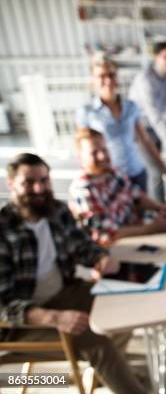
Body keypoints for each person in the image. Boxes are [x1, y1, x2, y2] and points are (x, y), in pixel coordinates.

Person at [0, 153, 147, 394]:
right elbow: (2, 303)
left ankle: (113, 373)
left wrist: (100, 258)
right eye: (28, 182)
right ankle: (122, 379)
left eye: (44, 180)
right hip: (21, 323)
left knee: (124, 305)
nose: (39, 189)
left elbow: (82, 245)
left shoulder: (56, 211)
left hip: (64, 292)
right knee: (99, 343)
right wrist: (54, 318)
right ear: (11, 184)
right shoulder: (3, 229)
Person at [78, 52, 166, 194]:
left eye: (111, 75)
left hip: (136, 172)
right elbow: (83, 150)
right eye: (101, 76)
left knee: (142, 213)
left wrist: (164, 168)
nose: (108, 80)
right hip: (109, 177)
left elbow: (146, 140)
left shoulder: (131, 106)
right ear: (93, 80)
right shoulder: (87, 112)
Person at [69, 128, 166, 247]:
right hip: (119, 248)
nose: (102, 156)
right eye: (94, 153)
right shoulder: (82, 189)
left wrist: (161, 208)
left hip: (139, 235)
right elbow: (106, 235)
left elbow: (137, 197)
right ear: (80, 157)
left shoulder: (113, 172)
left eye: (104, 149)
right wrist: (152, 228)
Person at [129, 41, 166, 202]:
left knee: (158, 170)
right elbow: (154, 115)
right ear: (156, 57)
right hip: (140, 131)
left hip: (155, 128)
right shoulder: (145, 79)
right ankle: (160, 213)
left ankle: (161, 208)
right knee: (156, 172)